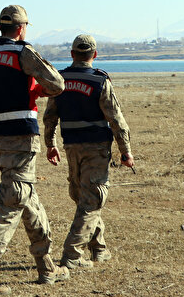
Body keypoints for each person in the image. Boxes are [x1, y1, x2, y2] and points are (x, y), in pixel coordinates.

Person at [0, 5, 69, 294]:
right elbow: (57, 83)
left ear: (1, 27)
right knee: (14, 199)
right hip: (22, 135)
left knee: (26, 196)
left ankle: (46, 265)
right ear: (21, 28)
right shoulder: (23, 52)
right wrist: (36, 92)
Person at [43, 34, 134, 270]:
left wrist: (50, 144)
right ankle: (72, 255)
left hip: (71, 146)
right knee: (92, 200)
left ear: (72, 54)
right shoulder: (100, 81)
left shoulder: (60, 79)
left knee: (84, 197)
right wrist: (126, 152)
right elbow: (116, 120)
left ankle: (99, 248)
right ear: (94, 55)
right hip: (96, 147)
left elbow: (50, 115)